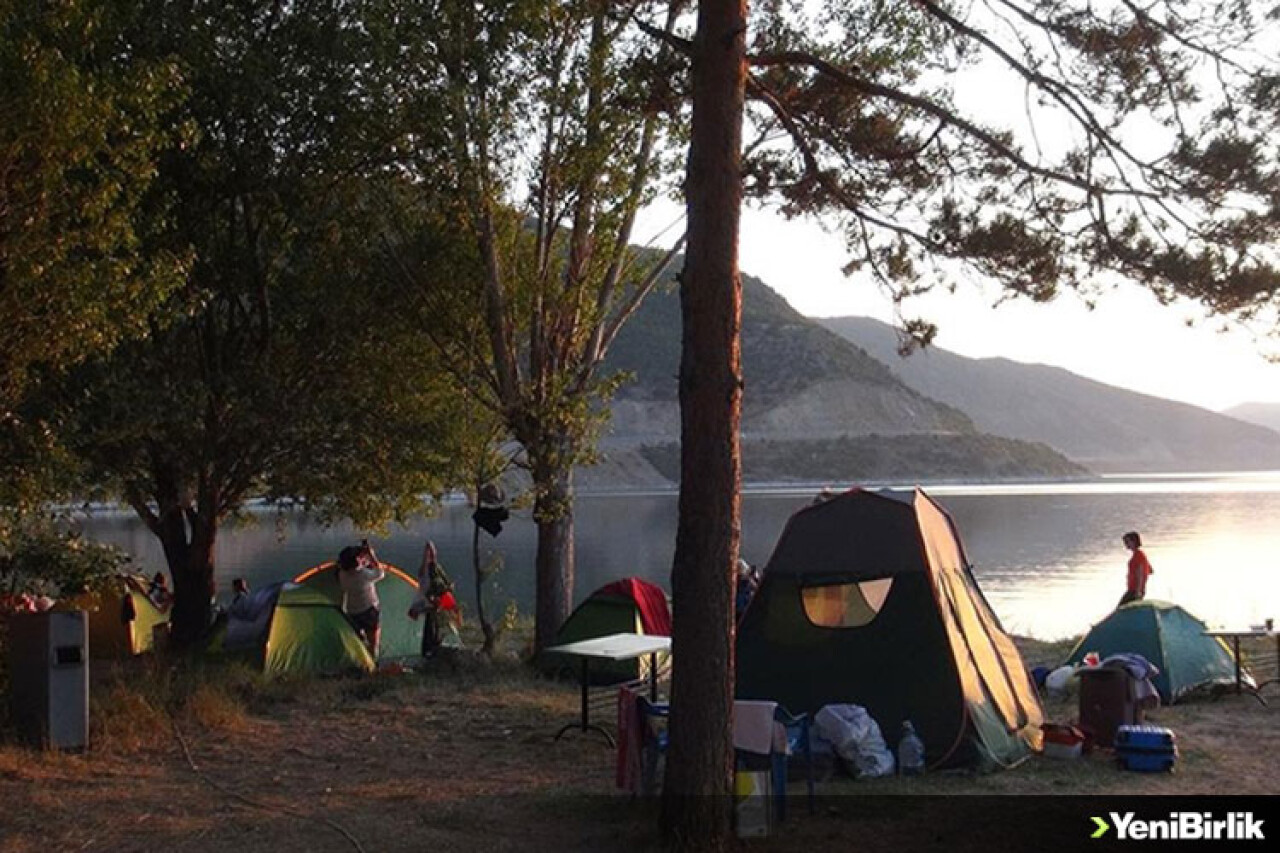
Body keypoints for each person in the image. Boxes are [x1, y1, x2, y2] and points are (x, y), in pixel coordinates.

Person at [338, 541, 385, 659]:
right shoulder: (363, 574)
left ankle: (361, 663)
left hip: (352, 612)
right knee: (373, 644)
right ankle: (373, 666)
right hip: (369, 610)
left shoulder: (342, 575)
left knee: (358, 643)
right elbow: (380, 573)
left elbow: (353, 568)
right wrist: (372, 555)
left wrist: (363, 558)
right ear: (357, 561)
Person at [409, 540, 455, 659]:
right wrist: (429, 551)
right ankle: (430, 652)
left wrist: (429, 551)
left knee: (432, 630)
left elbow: (431, 564)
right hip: (430, 606)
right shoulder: (427, 578)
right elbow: (427, 565)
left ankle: (431, 652)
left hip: (433, 606)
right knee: (431, 630)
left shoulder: (433, 577)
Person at [1118, 531, 1153, 608]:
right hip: (1135, 589)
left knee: (1121, 609)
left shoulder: (1138, 556)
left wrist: (1138, 591)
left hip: (1134, 590)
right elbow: (1150, 570)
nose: (1126, 544)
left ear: (1134, 542)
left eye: (1127, 541)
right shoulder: (1140, 555)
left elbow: (1140, 573)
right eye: (1125, 542)